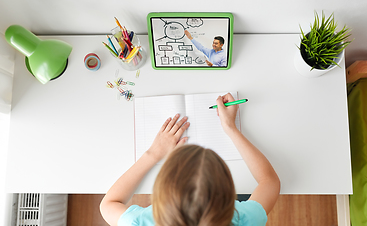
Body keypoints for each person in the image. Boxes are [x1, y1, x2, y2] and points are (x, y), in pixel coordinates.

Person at [100, 93, 280, 226]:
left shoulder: (139, 223)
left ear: (162, 192)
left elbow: (108, 204)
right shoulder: (244, 219)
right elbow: (269, 181)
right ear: (227, 193)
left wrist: (153, 154)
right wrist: (230, 127)